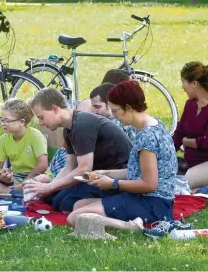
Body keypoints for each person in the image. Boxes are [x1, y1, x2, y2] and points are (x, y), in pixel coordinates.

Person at [67, 81, 178, 229]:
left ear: (128, 108)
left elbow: (150, 184)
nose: (114, 116)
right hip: (146, 199)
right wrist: (106, 173)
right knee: (78, 205)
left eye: (115, 111)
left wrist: (113, 183)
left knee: (75, 217)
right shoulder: (154, 124)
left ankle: (130, 227)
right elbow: (139, 172)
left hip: (153, 203)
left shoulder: (147, 137)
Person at [24, 88, 131, 213]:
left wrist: (49, 187)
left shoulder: (82, 125)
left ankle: (116, 203)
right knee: (54, 200)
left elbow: (84, 169)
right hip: (94, 177)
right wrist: (49, 187)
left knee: (66, 206)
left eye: (41, 117)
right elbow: (70, 166)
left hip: (117, 178)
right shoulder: (69, 128)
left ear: (54, 108)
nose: (41, 123)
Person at [172, 62, 208, 192]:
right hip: (190, 163)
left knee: (177, 184)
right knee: (159, 176)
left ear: (194, 84)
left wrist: (186, 142)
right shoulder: (190, 104)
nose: (183, 87)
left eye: (184, 82)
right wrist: (166, 152)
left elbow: (207, 142)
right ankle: (203, 187)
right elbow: (179, 133)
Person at [0, 99, 51, 194]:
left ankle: (12, 191)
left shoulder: (35, 135)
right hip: (16, 177)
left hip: (35, 176)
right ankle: (13, 192)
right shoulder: (3, 139)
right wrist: (1, 176)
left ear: (22, 122)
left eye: (7, 121)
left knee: (44, 178)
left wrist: (25, 182)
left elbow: (42, 165)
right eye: (1, 120)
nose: (3, 124)